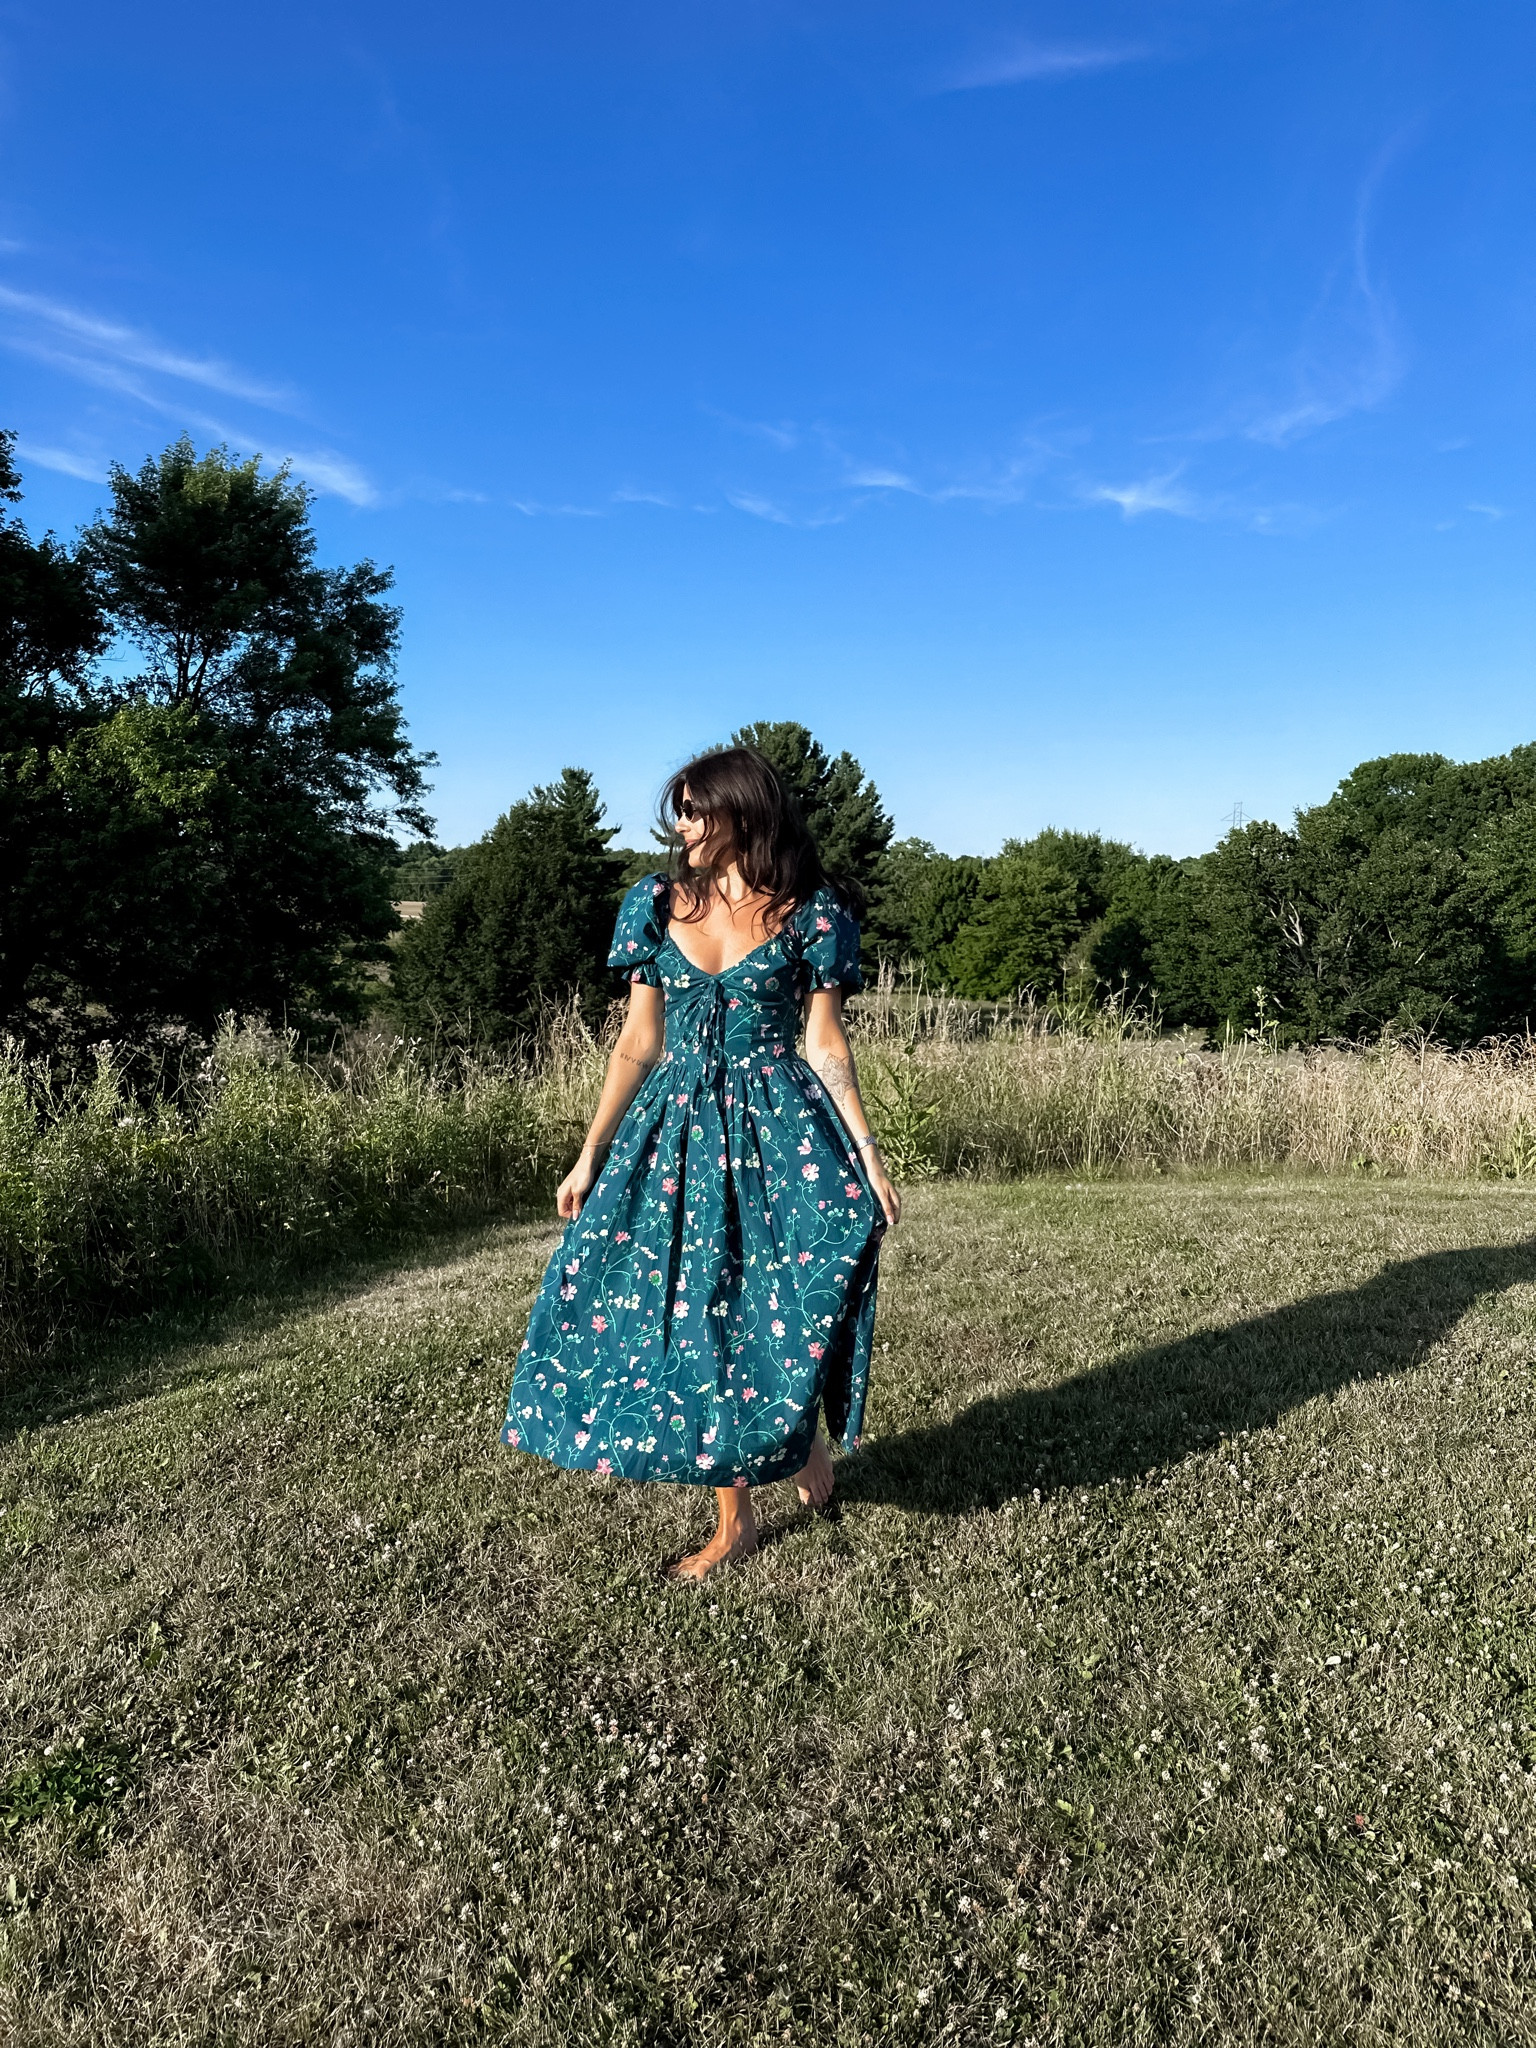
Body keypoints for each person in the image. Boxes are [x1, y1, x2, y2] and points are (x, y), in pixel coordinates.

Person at [500, 743, 901, 1580]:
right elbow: (638, 1041)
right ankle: (736, 1520)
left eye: (694, 809)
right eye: (676, 809)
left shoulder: (810, 914)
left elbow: (825, 1046)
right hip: (674, 1132)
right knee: (698, 1310)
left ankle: (797, 1435)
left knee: (784, 1288)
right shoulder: (655, 905)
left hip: (779, 1124)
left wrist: (866, 1153)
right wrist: (588, 1156)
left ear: (742, 813)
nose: (679, 824)